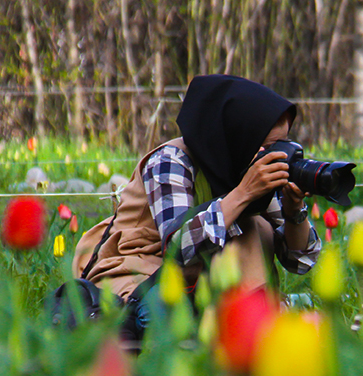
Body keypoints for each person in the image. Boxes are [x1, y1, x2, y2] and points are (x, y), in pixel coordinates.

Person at [70, 74, 322, 337]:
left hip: (204, 281)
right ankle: (250, 327)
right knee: (246, 222)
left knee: (252, 224)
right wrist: (244, 194)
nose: (278, 155)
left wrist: (295, 212)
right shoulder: (170, 161)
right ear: (239, 138)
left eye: (284, 144)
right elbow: (180, 245)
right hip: (142, 274)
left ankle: (253, 326)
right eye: (270, 146)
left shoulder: (248, 166)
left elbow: (302, 262)